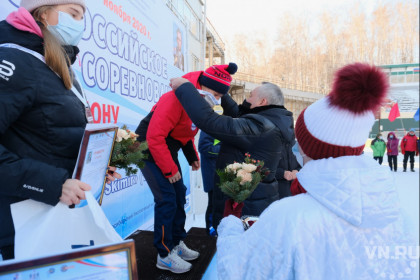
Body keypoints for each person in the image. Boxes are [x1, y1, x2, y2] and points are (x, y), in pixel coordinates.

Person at [214, 63, 416, 279]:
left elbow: (235, 270)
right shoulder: (399, 217)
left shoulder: (289, 217)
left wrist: (231, 225)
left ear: (309, 146)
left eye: (301, 138)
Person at [0, 0, 120, 261]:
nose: (79, 24)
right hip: (25, 225)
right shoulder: (12, 59)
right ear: (43, 14)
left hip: (59, 219)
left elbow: (52, 137)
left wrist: (95, 168)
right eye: (73, 14)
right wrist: (53, 184)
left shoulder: (57, 66)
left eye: (82, 16)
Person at [135, 63, 237, 273]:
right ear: (205, 86)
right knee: (166, 198)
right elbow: (155, 137)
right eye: (216, 94)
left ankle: (176, 242)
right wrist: (170, 170)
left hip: (166, 146)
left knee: (180, 193)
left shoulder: (195, 99)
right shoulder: (175, 98)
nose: (217, 100)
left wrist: (192, 156)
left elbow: (184, 131)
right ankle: (164, 254)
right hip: (147, 147)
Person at [169, 76, 296, 230]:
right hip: (252, 202)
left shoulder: (261, 127)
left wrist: (185, 88)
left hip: (244, 208)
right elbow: (238, 113)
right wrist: (220, 87)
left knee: (237, 249)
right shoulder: (270, 122)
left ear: (262, 102)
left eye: (250, 96)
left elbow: (211, 121)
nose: (246, 100)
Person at [198, 131, 221, 236]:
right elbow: (203, 147)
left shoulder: (227, 125)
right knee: (214, 203)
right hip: (212, 174)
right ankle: (211, 230)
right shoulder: (210, 126)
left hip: (226, 175)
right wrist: (225, 151)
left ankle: (219, 228)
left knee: (223, 205)